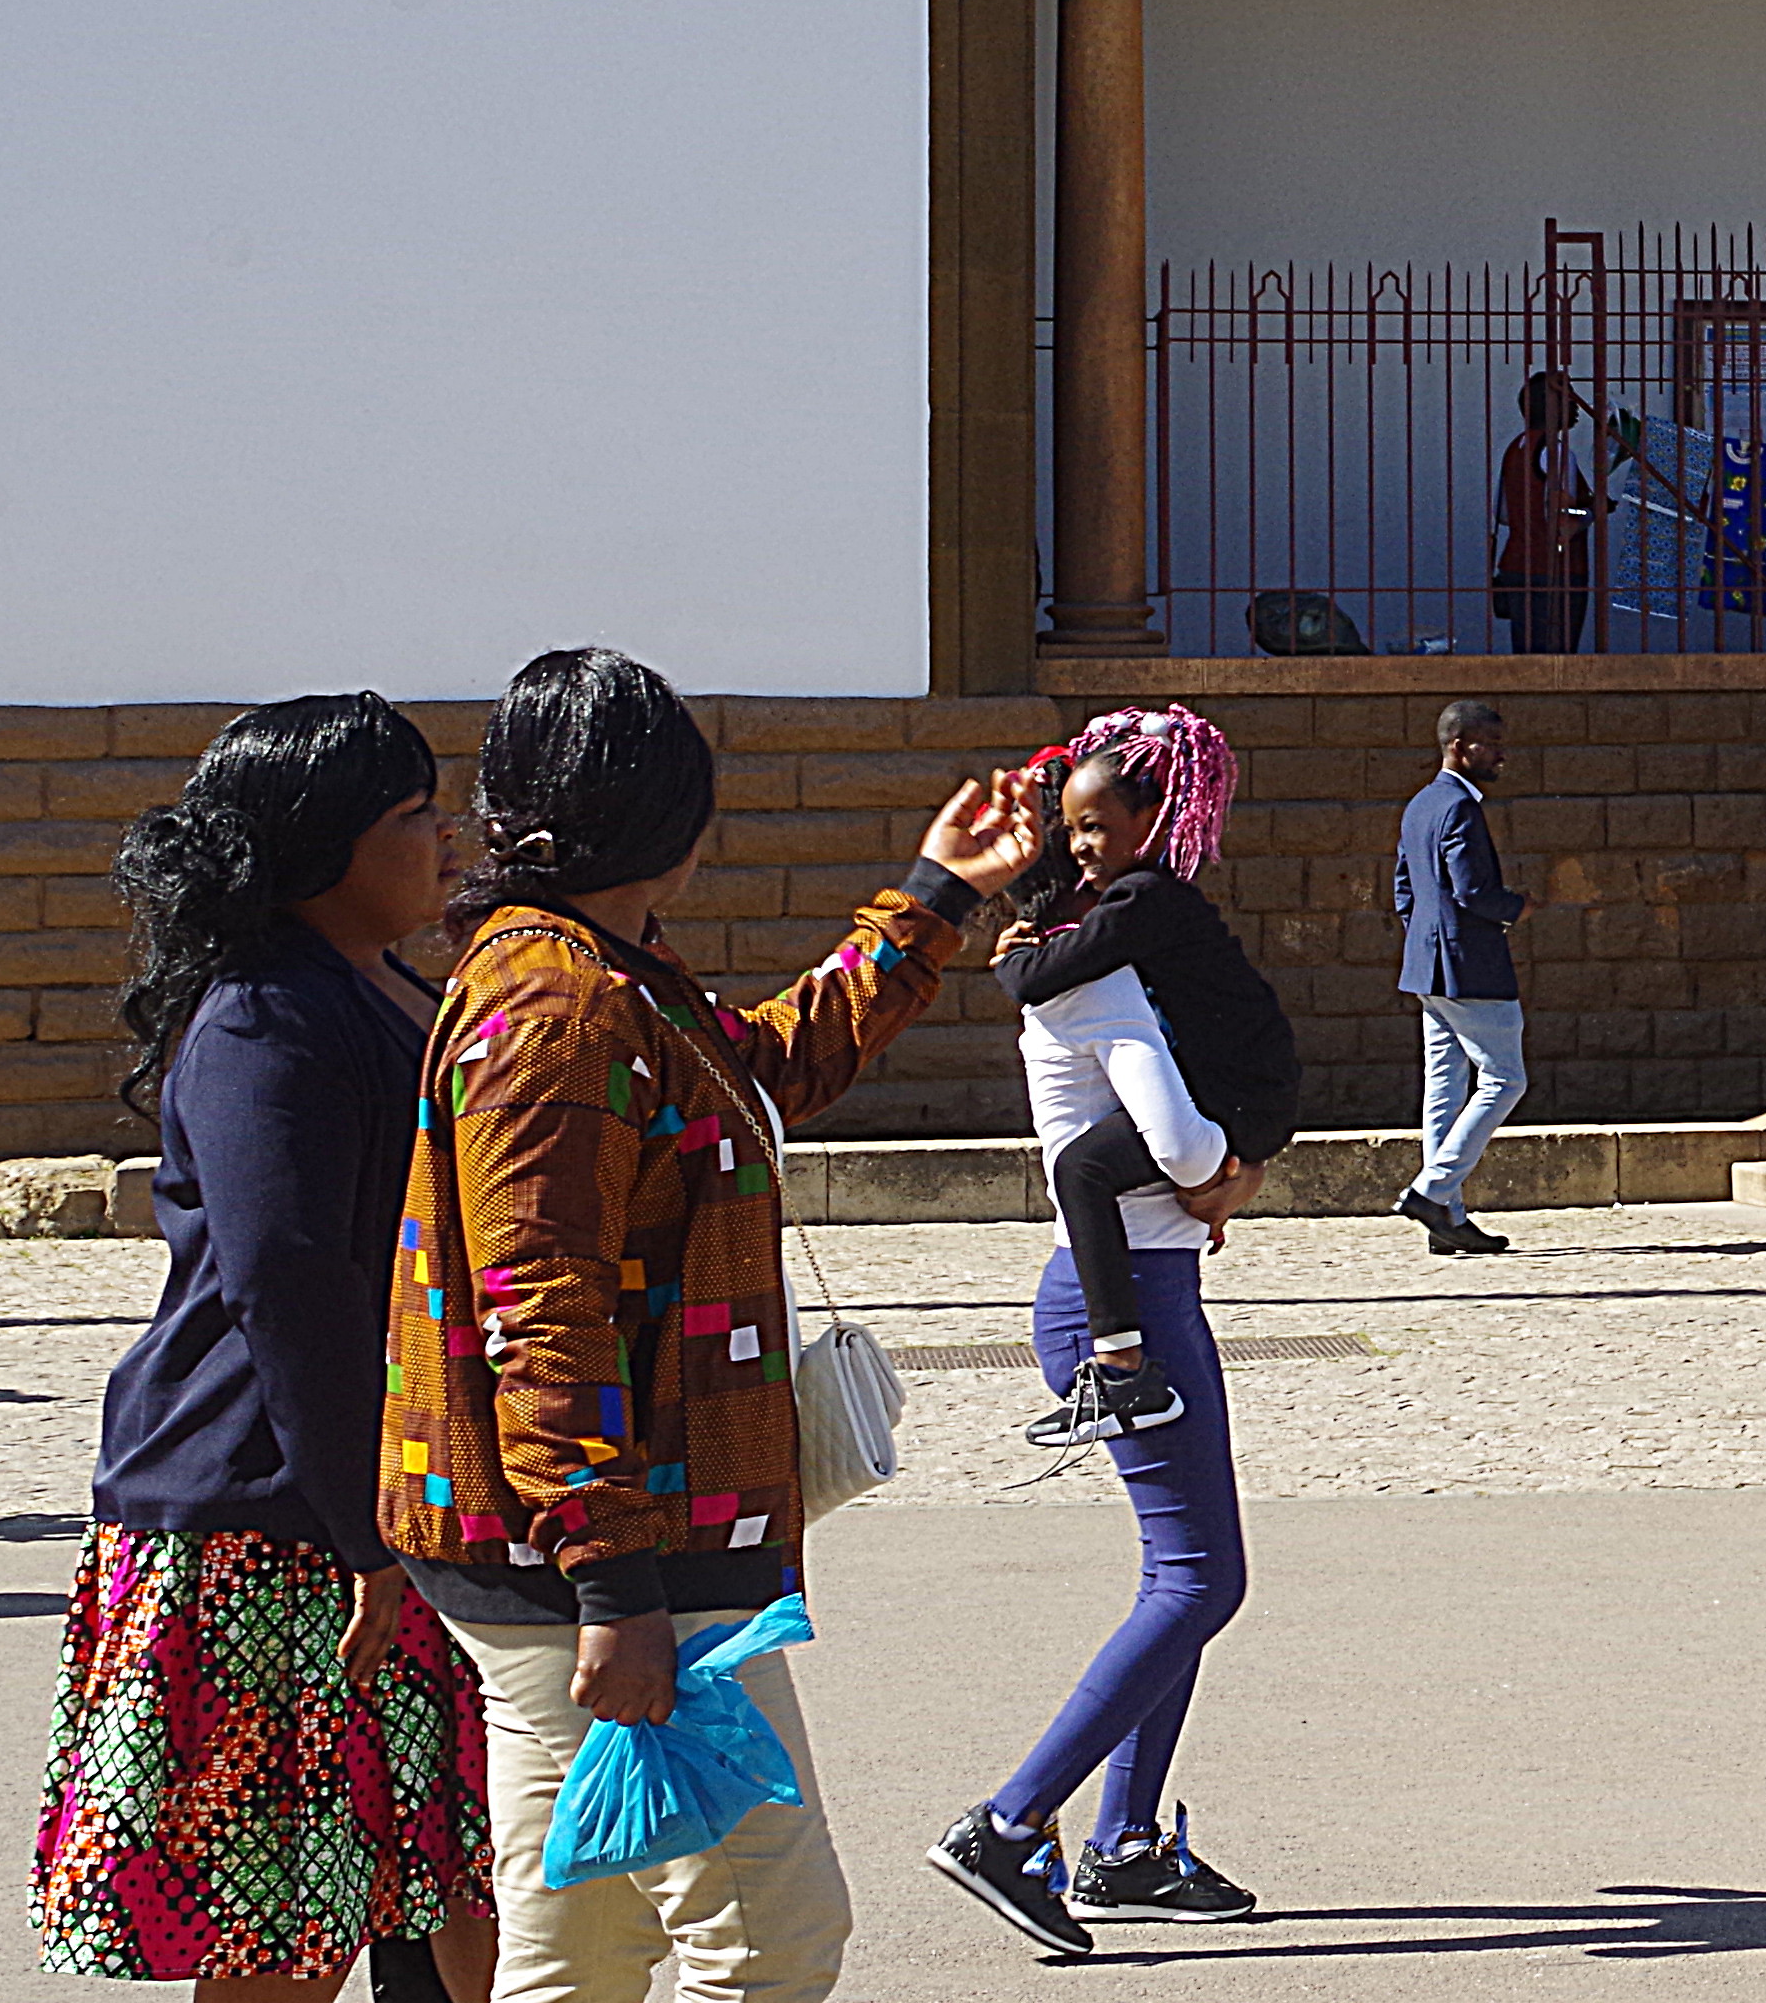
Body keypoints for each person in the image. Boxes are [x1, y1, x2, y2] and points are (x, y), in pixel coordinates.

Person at [388, 648, 1031, 1999]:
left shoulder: (598, 974)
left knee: (587, 1946)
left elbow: (766, 1072)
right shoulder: (559, 1004)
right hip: (617, 1564)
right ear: (675, 826)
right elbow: (539, 1307)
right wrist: (616, 1587)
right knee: (771, 1938)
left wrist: (931, 901)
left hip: (583, 1556)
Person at [38, 696, 496, 2002]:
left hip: (382, 1501)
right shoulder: (263, 1019)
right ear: (332, 844)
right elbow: (289, 1283)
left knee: (447, 1867)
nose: (446, 837)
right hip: (271, 1517)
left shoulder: (380, 985)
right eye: (417, 816)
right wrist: (366, 1534)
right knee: (286, 1916)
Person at [950, 719, 1286, 1947]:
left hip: (1132, 1284)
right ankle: (1010, 1824)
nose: (1102, 858)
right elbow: (1184, 1143)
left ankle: (1125, 1844)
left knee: (1181, 1582)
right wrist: (1229, 1173)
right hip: (1125, 1300)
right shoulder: (1103, 971)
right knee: (1203, 1579)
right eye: (1084, 835)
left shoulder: (1073, 953)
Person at [996, 708, 1297, 1452]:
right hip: (1248, 1091)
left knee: (1083, 1167)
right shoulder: (1153, 900)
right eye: (1071, 832)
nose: (1081, 847)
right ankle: (1122, 1366)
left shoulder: (1144, 899)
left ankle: (1123, 1367)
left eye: (1095, 827)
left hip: (1240, 1095)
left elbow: (1046, 975)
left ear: (1151, 819)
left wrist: (1008, 962)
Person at [1390, 699, 1526, 1256]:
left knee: (1443, 1088)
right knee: (1504, 1079)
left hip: (1427, 965)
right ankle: (1432, 1191)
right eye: (1489, 745)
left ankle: (1447, 1217)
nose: (1500, 755)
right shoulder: (1460, 808)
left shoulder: (1421, 804)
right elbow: (1474, 892)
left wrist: (1426, 936)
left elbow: (1405, 889)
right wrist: (1518, 907)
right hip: (1470, 965)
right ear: (1458, 746)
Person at [1487, 368, 1594, 652]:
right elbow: (1565, 519)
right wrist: (1592, 512)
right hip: (1557, 569)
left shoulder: (1515, 449)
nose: (1576, 405)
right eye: (1568, 399)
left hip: (1516, 564)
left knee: (1527, 652)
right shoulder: (1558, 453)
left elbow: (1503, 515)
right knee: (1557, 654)